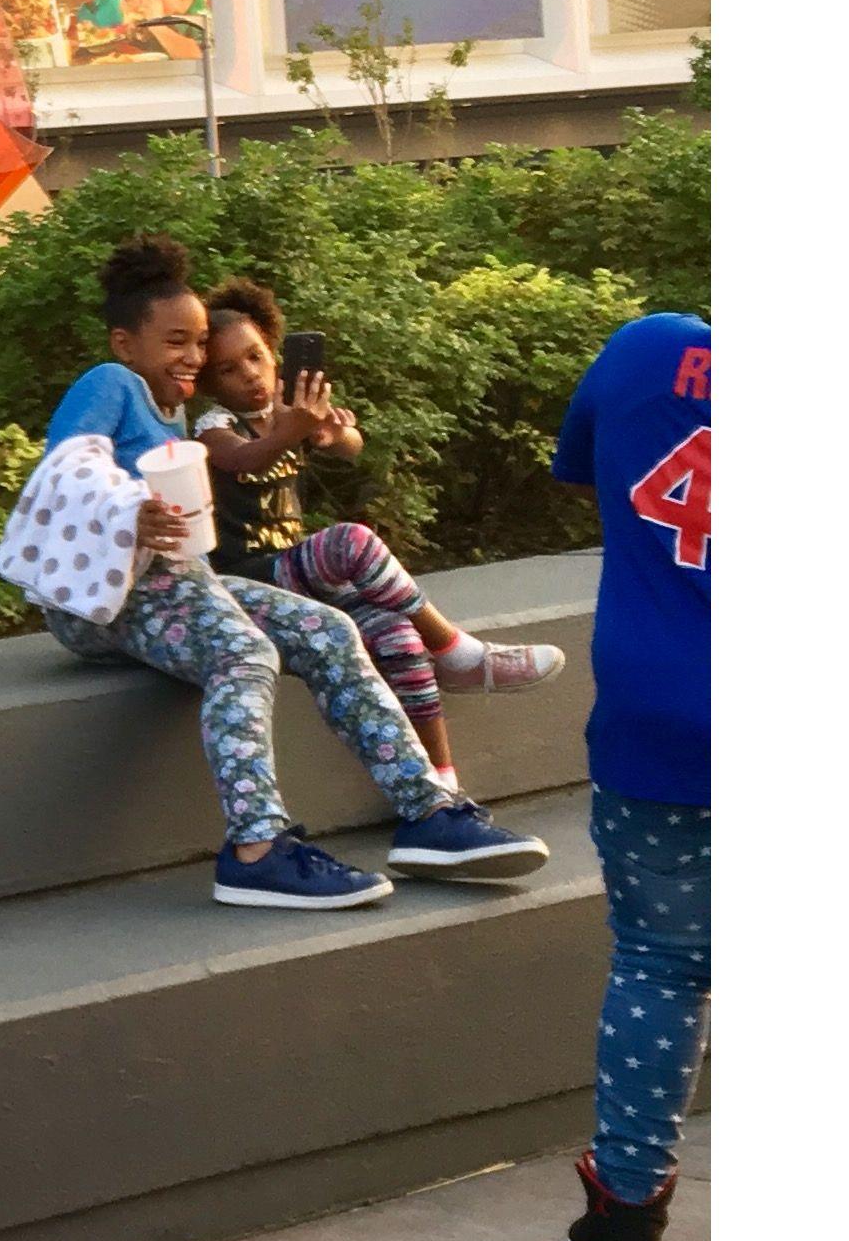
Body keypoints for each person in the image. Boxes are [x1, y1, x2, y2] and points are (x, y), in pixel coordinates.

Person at [35, 236, 550, 912]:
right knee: (246, 651)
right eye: (175, 342)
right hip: (101, 594)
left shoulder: (172, 405)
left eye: (197, 344)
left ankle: (431, 815)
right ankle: (254, 850)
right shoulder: (111, 384)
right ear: (126, 343)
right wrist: (130, 512)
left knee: (330, 629)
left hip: (171, 578)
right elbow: (61, 468)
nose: (192, 357)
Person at [191, 276, 565, 785]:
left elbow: (352, 445)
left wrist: (328, 430)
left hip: (292, 573)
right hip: (248, 580)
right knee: (350, 541)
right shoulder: (213, 423)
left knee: (396, 634)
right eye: (228, 369)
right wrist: (292, 430)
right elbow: (242, 458)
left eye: (256, 356)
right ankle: (457, 651)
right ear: (211, 383)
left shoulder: (287, 409)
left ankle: (439, 782)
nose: (249, 375)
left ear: (274, 352)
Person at [547, 309, 710, 1241]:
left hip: (658, 714)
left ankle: (624, 1217)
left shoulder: (649, 351)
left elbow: (583, 469)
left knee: (659, 963)